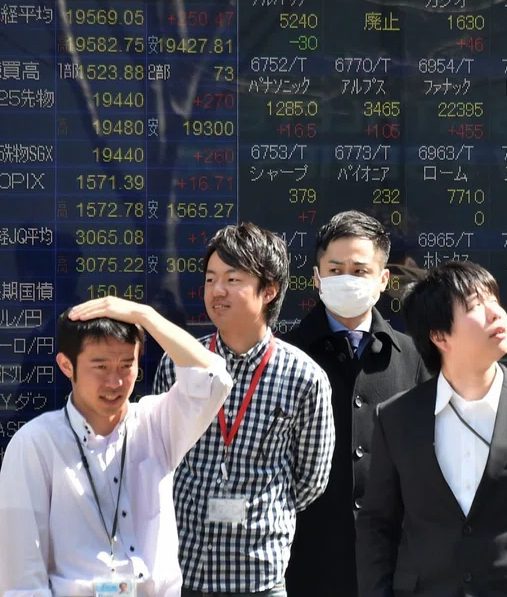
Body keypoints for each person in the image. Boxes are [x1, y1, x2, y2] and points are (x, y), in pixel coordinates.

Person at [356, 261, 507, 597]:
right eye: (475, 306)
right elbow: (377, 525)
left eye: (494, 300)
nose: (496, 313)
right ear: (439, 336)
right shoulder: (396, 418)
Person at [0, 296, 233, 597]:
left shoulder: (154, 424)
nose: (115, 382)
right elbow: (22, 580)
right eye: (100, 366)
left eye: (126, 365)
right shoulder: (36, 444)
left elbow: (214, 377)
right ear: (67, 365)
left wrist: (145, 315)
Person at [153, 223, 335, 597]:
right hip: (181, 570)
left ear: (269, 290)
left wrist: (263, 510)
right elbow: (156, 455)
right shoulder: (178, 366)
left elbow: (310, 481)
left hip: (257, 576)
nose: (217, 290)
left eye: (232, 279)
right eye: (210, 279)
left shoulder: (304, 377)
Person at [284, 211, 428, 597]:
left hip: (393, 568)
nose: (347, 279)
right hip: (305, 566)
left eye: (360, 270)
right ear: (317, 278)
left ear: (383, 279)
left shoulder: (414, 359)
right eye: (335, 269)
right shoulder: (286, 358)